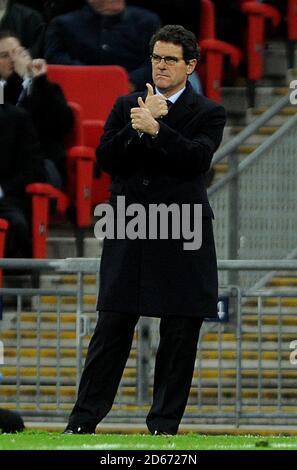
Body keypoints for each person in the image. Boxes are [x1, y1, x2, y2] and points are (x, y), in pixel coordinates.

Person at [64, 25, 226, 435]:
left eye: (171, 59)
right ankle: (82, 424)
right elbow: (107, 159)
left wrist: (158, 130)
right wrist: (139, 127)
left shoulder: (209, 112)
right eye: (156, 57)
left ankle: (163, 428)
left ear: (190, 65)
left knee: (180, 329)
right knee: (112, 325)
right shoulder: (126, 106)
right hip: (129, 224)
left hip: (182, 228)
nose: (161, 66)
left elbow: (197, 160)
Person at [0, 31, 74, 188]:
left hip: (40, 163)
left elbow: (63, 125)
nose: (14, 60)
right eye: (4, 56)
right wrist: (16, 81)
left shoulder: (47, 88)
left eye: (18, 53)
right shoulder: (2, 92)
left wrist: (39, 81)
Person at [44, 0, 161, 91]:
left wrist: (131, 81)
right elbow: (54, 58)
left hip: (135, 99)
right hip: (78, 94)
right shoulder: (62, 25)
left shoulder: (147, 22)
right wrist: (89, 77)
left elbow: (156, 59)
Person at [0, 103, 46, 257]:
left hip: (6, 199)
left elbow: (34, 169)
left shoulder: (16, 118)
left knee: (17, 226)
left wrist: (3, 188)